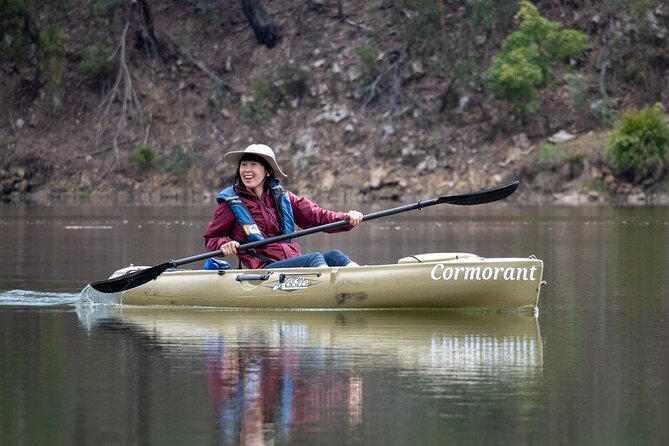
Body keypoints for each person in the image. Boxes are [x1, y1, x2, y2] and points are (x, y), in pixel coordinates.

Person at [203, 143, 363, 269]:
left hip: (291, 262)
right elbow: (212, 238)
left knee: (335, 255)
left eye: (253, 164)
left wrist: (346, 218)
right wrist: (224, 244)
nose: (247, 170)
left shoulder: (284, 197)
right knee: (314, 258)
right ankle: (327, 288)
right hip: (264, 270)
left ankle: (361, 279)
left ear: (267, 171)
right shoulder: (230, 203)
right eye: (243, 165)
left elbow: (317, 216)